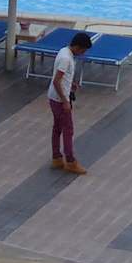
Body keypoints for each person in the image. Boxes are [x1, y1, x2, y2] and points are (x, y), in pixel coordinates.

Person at [48, 31, 93, 175]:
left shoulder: (64, 51)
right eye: (83, 50)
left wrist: (71, 83)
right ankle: (70, 161)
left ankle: (57, 157)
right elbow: (57, 81)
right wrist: (65, 101)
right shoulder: (66, 59)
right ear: (78, 47)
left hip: (53, 97)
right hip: (60, 100)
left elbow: (62, 76)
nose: (83, 53)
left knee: (57, 128)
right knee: (68, 130)